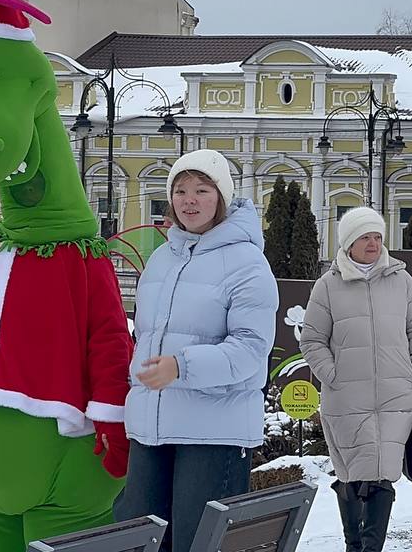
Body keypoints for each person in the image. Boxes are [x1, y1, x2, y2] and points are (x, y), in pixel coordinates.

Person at [114, 149, 277, 552]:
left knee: (199, 543)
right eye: (181, 190)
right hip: (152, 428)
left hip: (213, 432)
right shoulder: (161, 258)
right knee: (140, 540)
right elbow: (148, 337)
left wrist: (181, 367)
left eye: (202, 190)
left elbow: (251, 349)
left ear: (221, 197)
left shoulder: (247, 263)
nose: (189, 200)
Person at [300, 206, 412, 552]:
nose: (373, 244)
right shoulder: (327, 287)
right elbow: (312, 340)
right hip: (346, 399)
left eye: (377, 237)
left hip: (395, 395)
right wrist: (333, 375)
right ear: (349, 243)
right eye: (365, 237)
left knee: (382, 475)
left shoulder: (401, 280)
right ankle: (354, 543)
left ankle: (369, 549)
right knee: (352, 476)